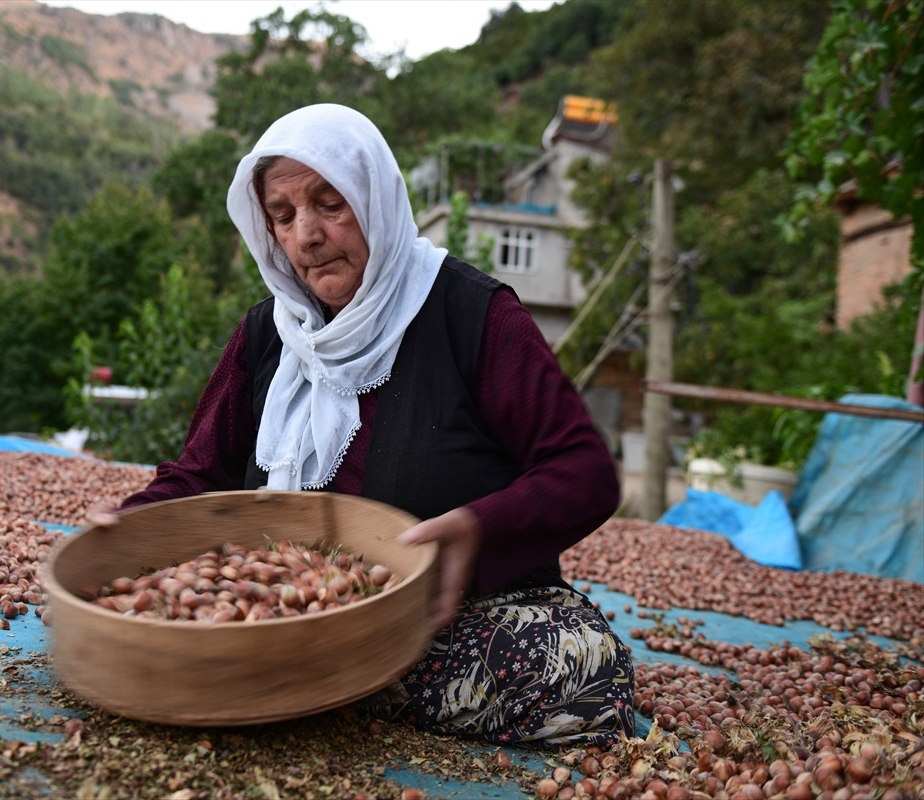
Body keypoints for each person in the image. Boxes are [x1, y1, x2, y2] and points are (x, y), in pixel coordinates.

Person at [102, 103, 634, 747]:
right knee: (175, 618)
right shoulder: (267, 335)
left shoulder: (471, 315)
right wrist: (127, 531)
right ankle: (302, 674)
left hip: (442, 615)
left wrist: (477, 529)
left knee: (574, 663)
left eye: (331, 204)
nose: (306, 235)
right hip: (286, 609)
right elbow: (201, 471)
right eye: (283, 214)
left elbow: (584, 472)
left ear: (375, 199)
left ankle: (284, 685)